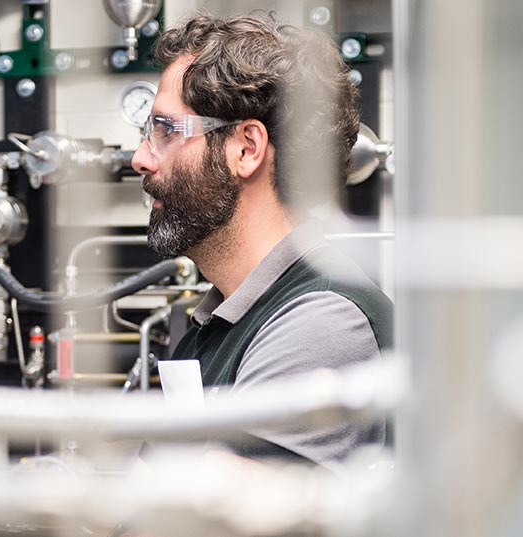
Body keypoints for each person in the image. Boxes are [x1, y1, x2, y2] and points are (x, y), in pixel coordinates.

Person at [131, 13, 393, 468]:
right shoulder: (212, 330)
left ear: (247, 148)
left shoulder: (321, 323)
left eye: (166, 131)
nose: (140, 159)